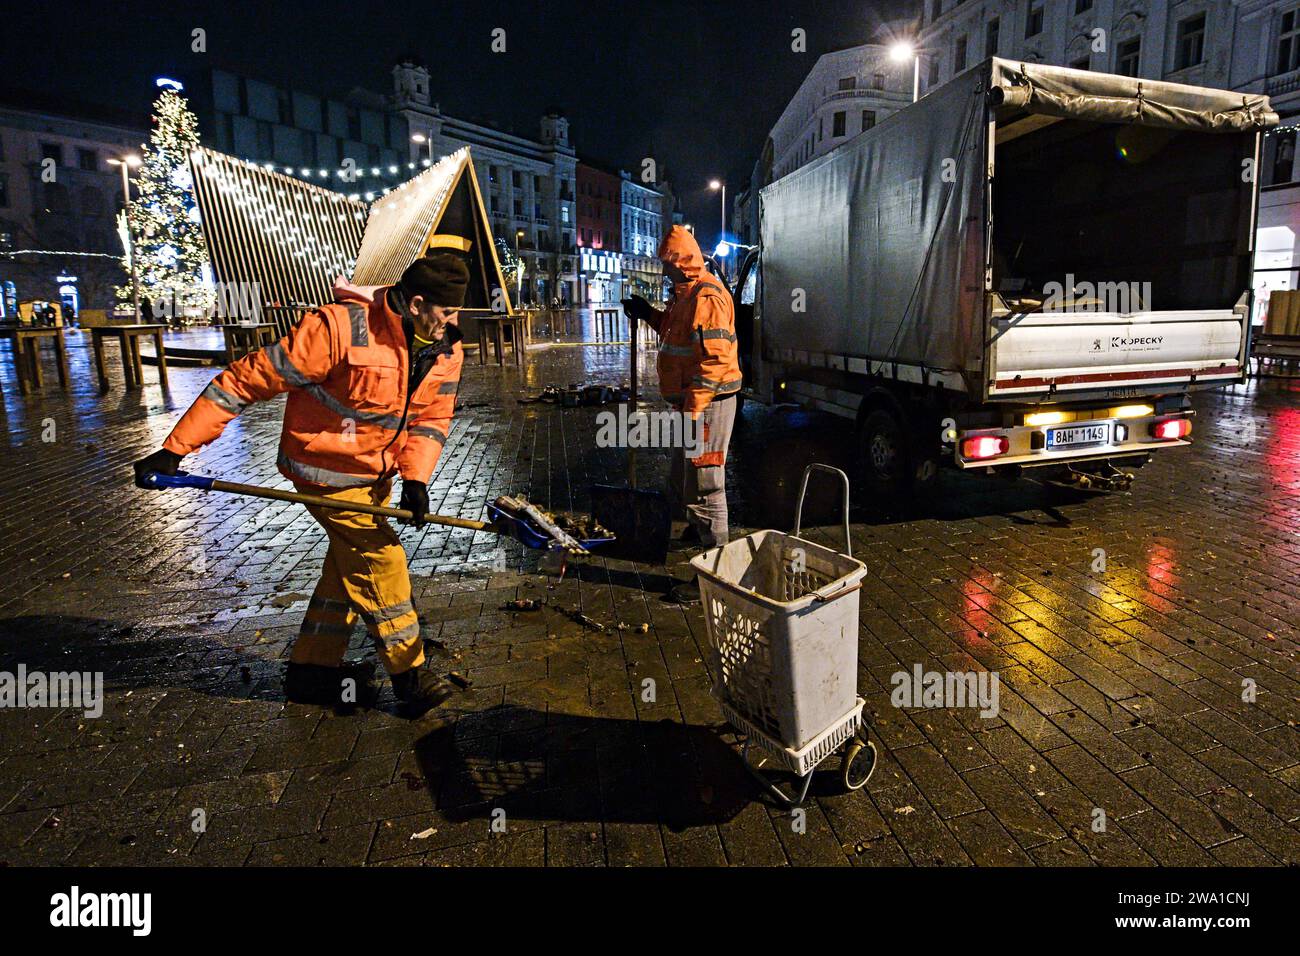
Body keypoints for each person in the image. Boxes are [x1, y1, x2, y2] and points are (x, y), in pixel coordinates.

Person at [133, 254, 469, 715]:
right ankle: (409, 675)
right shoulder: (336, 330)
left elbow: (431, 420)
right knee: (379, 557)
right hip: (324, 473)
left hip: (377, 478)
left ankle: (312, 674)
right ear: (415, 304)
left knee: (347, 570)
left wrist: (415, 477)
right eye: (447, 312)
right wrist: (176, 448)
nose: (453, 323)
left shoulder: (446, 350)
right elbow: (246, 380)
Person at [622, 225, 741, 603]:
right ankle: (697, 530)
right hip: (692, 404)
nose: (664, 272)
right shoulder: (685, 296)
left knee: (707, 482)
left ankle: (716, 575)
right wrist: (648, 314)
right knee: (684, 471)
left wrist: (692, 413)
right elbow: (677, 336)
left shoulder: (707, 297)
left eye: (667, 265)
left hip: (707, 403)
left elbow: (714, 362)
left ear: (683, 263)